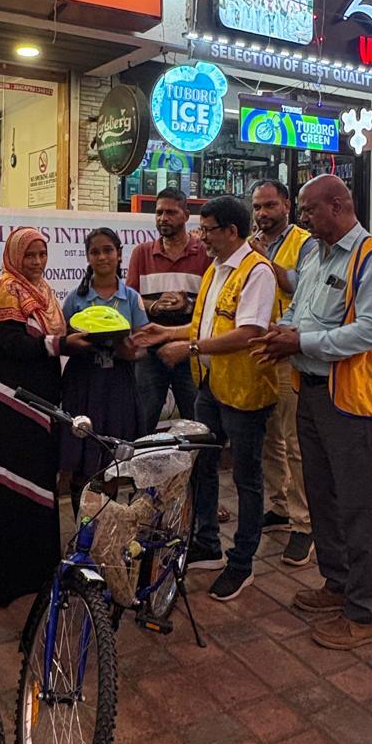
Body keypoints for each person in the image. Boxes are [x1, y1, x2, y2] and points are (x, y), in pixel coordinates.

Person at [253, 174, 372, 649]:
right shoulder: (313, 253)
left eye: (310, 210)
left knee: (358, 505)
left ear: (338, 205)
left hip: (351, 400)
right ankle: (337, 584)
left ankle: (366, 610)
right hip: (310, 390)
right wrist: (282, 334)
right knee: (322, 496)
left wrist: (303, 341)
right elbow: (301, 309)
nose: (303, 218)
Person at [134, 195, 278, 603]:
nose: (202, 238)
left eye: (208, 229)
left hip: (245, 392)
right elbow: (202, 324)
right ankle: (207, 543)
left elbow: (248, 332)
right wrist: (164, 332)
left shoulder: (258, 272)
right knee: (203, 465)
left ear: (232, 231)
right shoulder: (217, 269)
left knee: (247, 479)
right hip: (211, 387)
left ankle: (242, 562)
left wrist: (191, 349)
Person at [0, 227, 92, 607]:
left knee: (39, 478)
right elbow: (11, 344)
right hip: (13, 403)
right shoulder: (7, 289)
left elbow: (51, 336)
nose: (37, 262)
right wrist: (62, 343)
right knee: (13, 480)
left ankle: (36, 565)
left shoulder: (44, 292)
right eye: (30, 255)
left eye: (42, 254)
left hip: (42, 399)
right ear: (13, 255)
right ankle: (11, 573)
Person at [249, 179, 316, 567]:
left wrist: (265, 261)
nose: (262, 214)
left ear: (287, 206)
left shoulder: (304, 243)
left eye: (269, 206)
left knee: (294, 443)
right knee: (269, 437)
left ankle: (304, 524)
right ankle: (278, 506)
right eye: (257, 207)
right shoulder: (254, 240)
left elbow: (300, 287)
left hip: (289, 349)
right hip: (258, 349)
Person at [61, 229, 147, 516]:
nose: (102, 257)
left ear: (119, 253)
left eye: (108, 250)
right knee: (83, 455)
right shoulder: (76, 299)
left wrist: (130, 350)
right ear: (87, 257)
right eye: (95, 252)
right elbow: (63, 342)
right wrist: (79, 344)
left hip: (119, 385)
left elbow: (143, 345)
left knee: (118, 455)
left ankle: (114, 531)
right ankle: (82, 530)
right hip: (83, 384)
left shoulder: (132, 298)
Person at [125, 188, 210, 430]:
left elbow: (212, 303)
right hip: (150, 350)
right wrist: (155, 305)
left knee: (197, 421)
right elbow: (131, 299)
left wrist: (188, 305)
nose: (163, 218)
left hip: (190, 348)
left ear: (185, 214)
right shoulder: (142, 253)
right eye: (159, 212)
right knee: (144, 418)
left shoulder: (204, 253)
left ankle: (197, 469)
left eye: (171, 212)